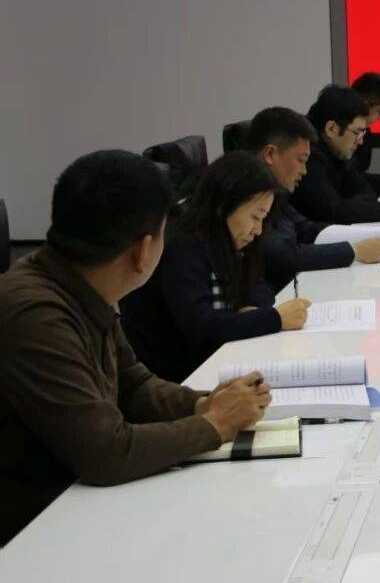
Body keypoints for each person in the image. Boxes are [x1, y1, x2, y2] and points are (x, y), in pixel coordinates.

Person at [0, 151, 270, 544]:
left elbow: (133, 385)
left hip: (74, 503)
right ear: (144, 251)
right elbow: (105, 453)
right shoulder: (37, 313)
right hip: (32, 532)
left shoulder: (81, 285)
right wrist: (215, 425)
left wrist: (202, 404)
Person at [121, 152, 311, 382]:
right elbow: (202, 327)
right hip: (181, 377)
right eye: (255, 216)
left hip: (217, 360)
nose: (258, 229)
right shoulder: (183, 246)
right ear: (224, 205)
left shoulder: (232, 238)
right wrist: (275, 318)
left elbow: (260, 285)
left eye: (263, 218)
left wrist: (251, 307)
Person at [246, 107, 380, 291]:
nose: (304, 171)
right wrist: (354, 251)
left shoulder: (276, 192)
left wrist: (373, 235)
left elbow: (306, 229)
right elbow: (283, 255)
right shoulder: (245, 196)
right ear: (270, 154)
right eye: (301, 160)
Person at [291, 85, 380, 224]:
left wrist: (357, 207)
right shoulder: (308, 156)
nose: (360, 141)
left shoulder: (336, 150)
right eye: (357, 133)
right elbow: (335, 213)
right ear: (332, 129)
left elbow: (364, 191)